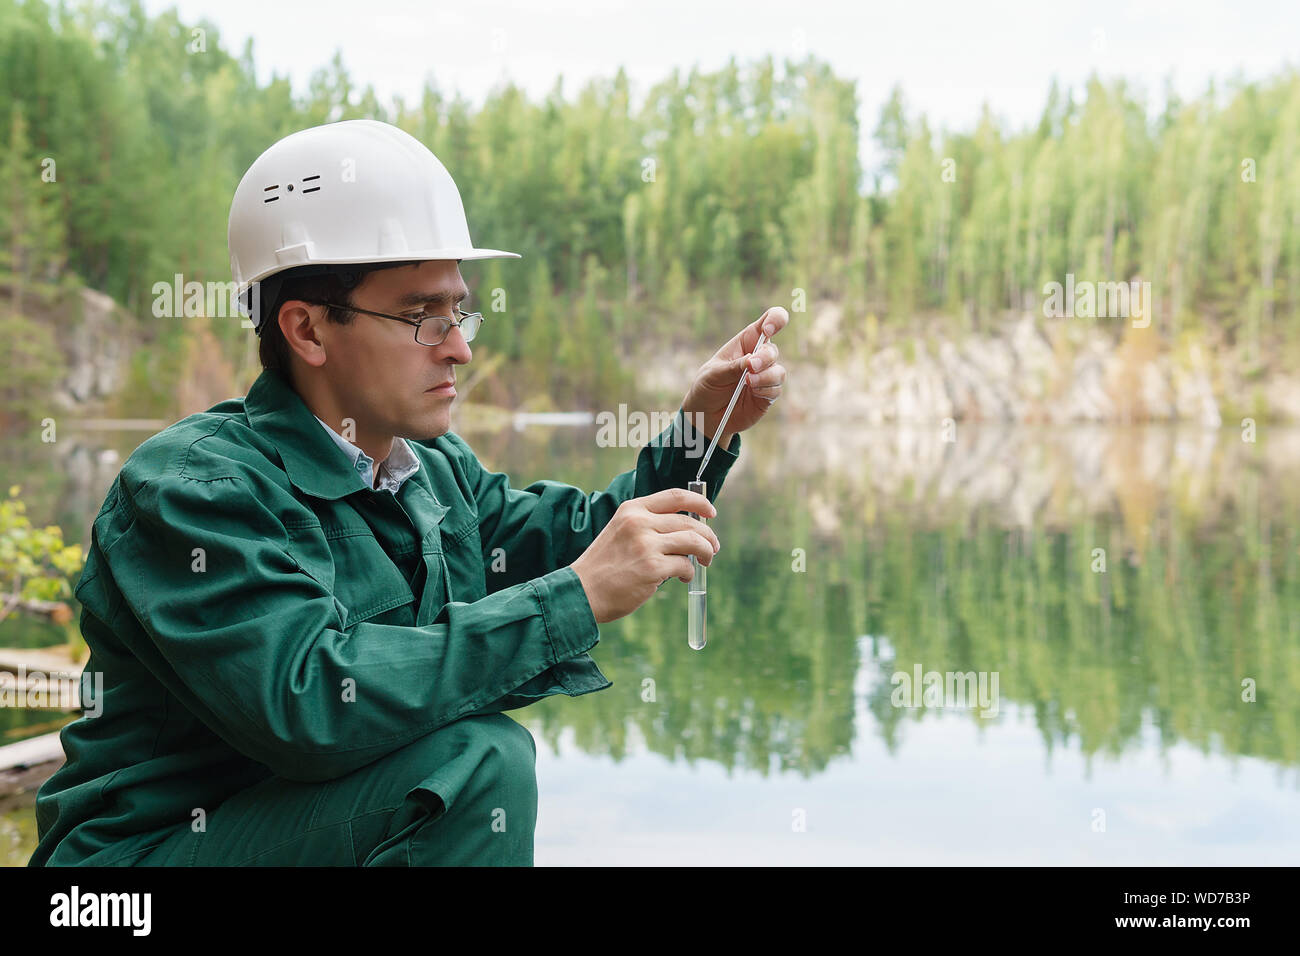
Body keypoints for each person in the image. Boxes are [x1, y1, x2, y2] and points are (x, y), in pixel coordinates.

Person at [29, 120, 788, 867]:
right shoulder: (193, 492)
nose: (460, 346)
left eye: (458, 311)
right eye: (422, 316)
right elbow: (309, 704)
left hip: (287, 838)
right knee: (472, 764)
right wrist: (574, 599)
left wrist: (702, 429)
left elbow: (588, 539)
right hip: (134, 872)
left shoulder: (427, 468)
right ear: (307, 330)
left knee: (469, 757)